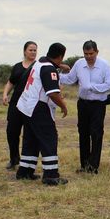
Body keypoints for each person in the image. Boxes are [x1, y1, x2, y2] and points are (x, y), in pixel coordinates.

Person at [15, 43, 68, 185]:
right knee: (49, 139)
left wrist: (60, 66)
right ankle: (51, 175)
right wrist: (63, 106)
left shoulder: (39, 63)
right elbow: (53, 94)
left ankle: (25, 171)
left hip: (26, 106)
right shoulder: (49, 69)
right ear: (61, 56)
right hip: (38, 108)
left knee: (30, 140)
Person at [59, 40, 110, 174]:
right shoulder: (79, 63)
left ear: (97, 52)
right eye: (86, 54)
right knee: (83, 133)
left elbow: (109, 85)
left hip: (98, 104)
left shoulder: (104, 65)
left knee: (96, 133)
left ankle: (93, 166)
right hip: (83, 103)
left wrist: (92, 87)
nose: (88, 56)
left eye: (91, 53)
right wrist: (55, 75)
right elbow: (70, 79)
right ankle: (84, 165)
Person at [2, 41, 38, 170]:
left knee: (29, 134)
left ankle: (27, 161)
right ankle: (14, 158)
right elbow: (11, 82)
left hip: (31, 104)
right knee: (11, 132)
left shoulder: (38, 66)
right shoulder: (17, 67)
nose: (33, 52)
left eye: (35, 50)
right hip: (16, 103)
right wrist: (5, 94)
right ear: (24, 51)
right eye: (30, 50)